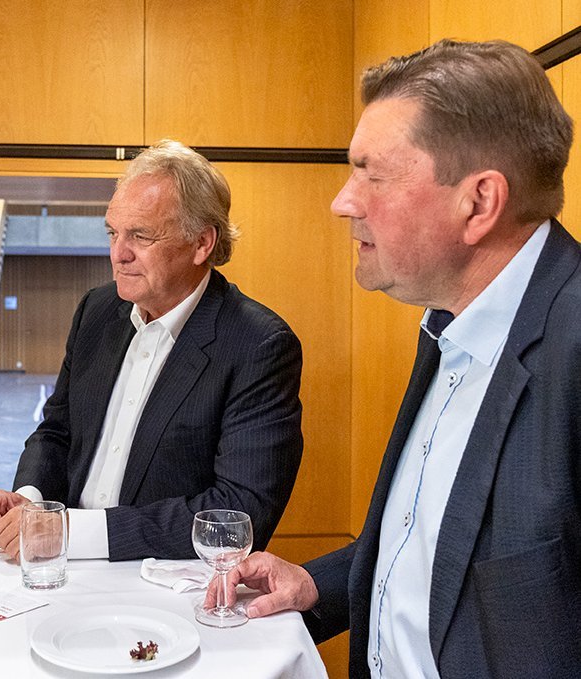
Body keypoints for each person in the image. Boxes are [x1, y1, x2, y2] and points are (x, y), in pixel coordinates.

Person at [207, 39, 581, 678]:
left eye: (371, 174)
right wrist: (315, 585)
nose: (343, 201)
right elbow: (440, 552)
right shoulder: (445, 329)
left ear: (479, 202)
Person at [0, 139, 303, 561]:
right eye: (113, 233)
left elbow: (240, 513)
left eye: (141, 235)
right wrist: (31, 500)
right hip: (60, 570)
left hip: (165, 592)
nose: (119, 254)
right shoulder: (96, 310)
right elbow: (58, 430)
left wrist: (72, 532)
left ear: (202, 243)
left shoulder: (258, 344)